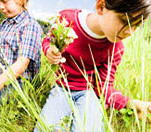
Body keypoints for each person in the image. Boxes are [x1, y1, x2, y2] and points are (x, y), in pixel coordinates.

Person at [34, 0, 151, 131]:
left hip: (89, 92)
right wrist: (49, 49)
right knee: (45, 128)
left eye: (136, 25)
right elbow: (49, 39)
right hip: (62, 88)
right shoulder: (67, 19)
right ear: (101, 7)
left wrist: (132, 104)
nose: (131, 32)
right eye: (125, 21)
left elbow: (104, 87)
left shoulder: (116, 48)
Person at [0, 0, 42, 105]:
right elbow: (6, 50)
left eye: (4, 2)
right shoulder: (5, 24)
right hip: (2, 73)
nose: (1, 7)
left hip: (21, 80)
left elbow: (21, 65)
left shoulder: (29, 25)